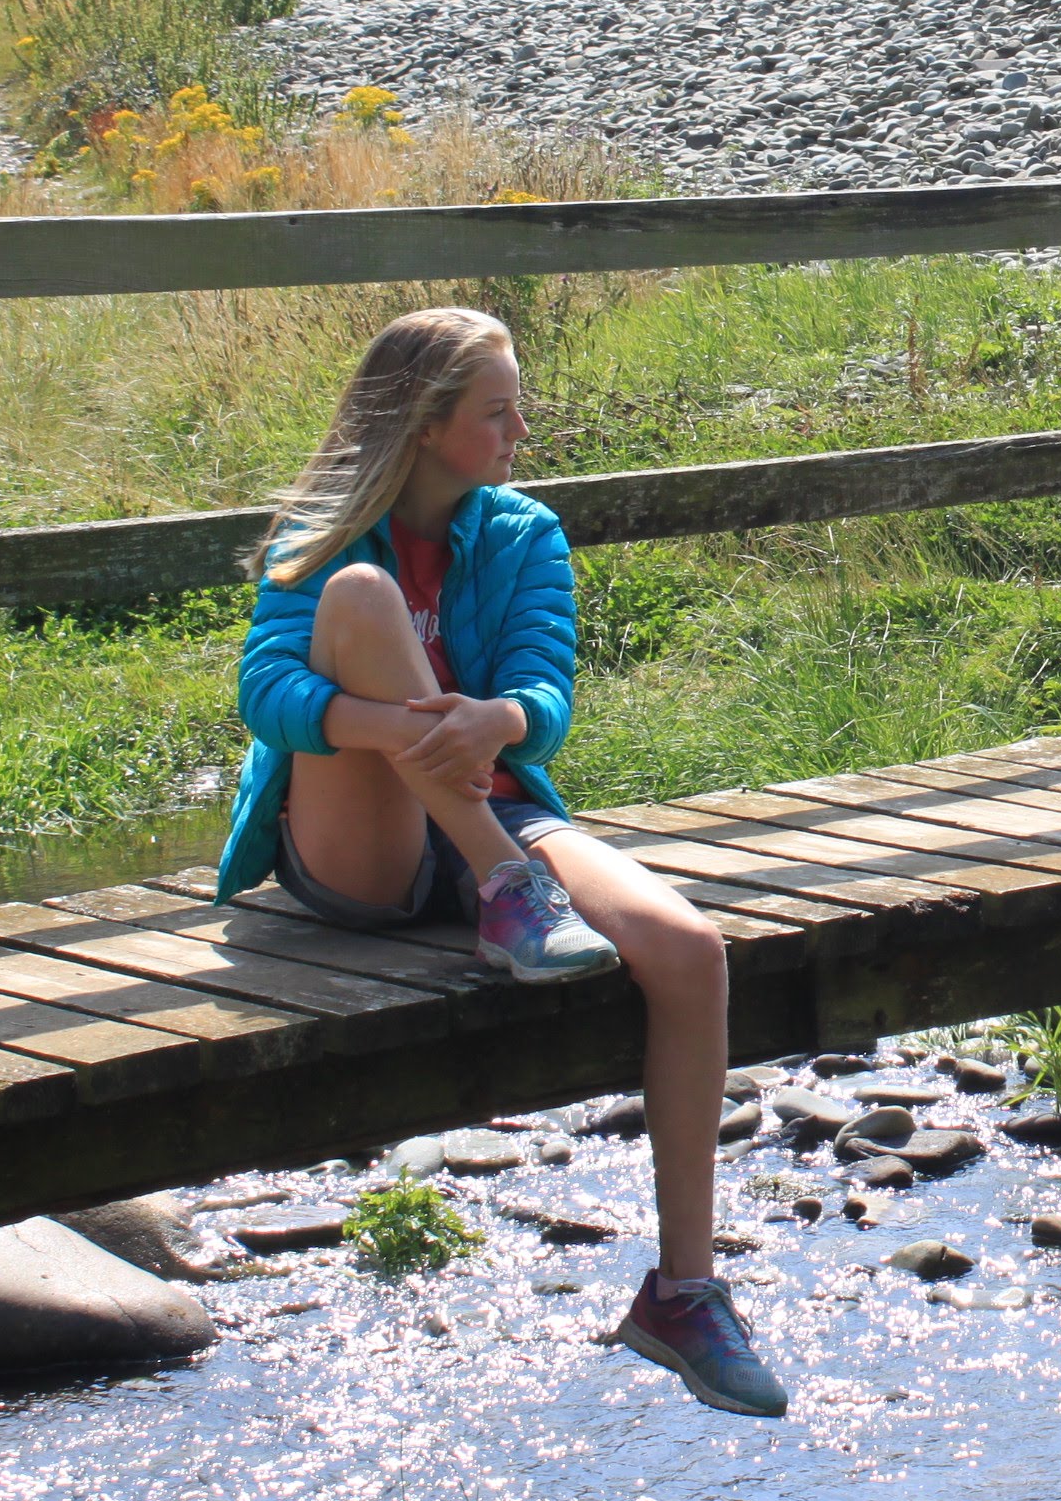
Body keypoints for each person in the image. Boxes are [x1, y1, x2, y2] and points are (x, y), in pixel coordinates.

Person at [215, 306, 788, 1417]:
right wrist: (399, 732)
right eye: (499, 411)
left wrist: (499, 723)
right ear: (428, 426)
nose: (522, 428)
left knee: (690, 947)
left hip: (488, 804)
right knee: (361, 601)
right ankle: (507, 888)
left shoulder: (524, 533)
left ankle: (684, 1289)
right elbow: (267, 695)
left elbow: (547, 691)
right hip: (361, 844)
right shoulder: (323, 532)